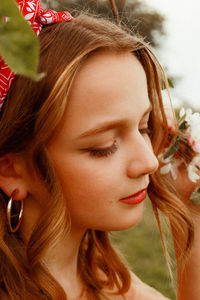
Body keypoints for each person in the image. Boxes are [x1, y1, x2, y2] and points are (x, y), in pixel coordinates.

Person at [0, 1, 200, 299]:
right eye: (104, 147)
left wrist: (189, 211)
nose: (149, 162)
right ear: (12, 170)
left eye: (144, 127)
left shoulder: (109, 281)